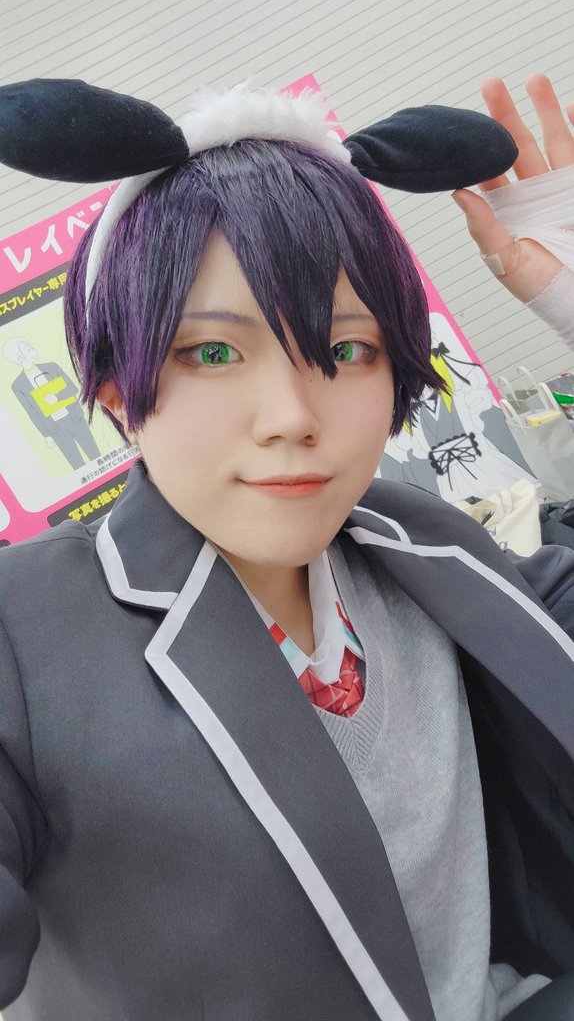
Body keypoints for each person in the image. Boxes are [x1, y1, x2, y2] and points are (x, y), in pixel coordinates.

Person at [0, 76, 573, 1021]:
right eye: (213, 353)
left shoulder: (421, 542)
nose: (292, 417)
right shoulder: (27, 632)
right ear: (115, 389)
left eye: (345, 351)